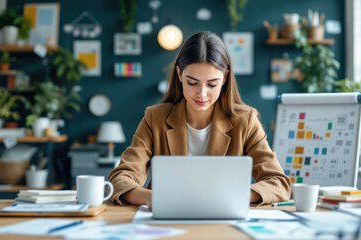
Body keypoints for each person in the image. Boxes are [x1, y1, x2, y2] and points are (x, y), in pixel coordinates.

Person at [108, 31, 291, 208]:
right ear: (179, 75)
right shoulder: (155, 118)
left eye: (212, 84)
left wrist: (233, 196)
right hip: (168, 220)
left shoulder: (245, 120)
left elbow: (278, 182)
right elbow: (120, 178)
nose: (202, 94)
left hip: (223, 219)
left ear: (225, 78)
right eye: (192, 83)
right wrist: (153, 198)